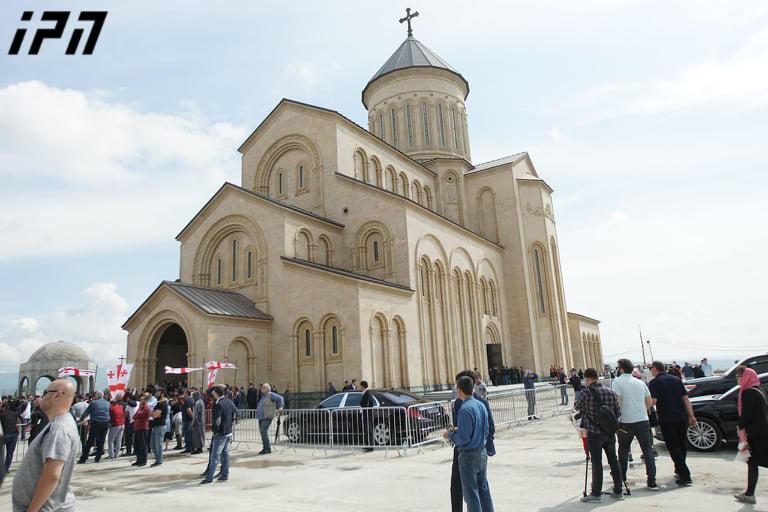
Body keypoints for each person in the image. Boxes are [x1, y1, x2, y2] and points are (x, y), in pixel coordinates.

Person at [11, 379, 78, 512]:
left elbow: (52, 475)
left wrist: (32, 509)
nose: (42, 397)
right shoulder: (58, 424)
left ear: (57, 395)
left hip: (46, 508)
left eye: (45, 393)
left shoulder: (59, 429)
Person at [444, 375, 494, 512]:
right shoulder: (481, 405)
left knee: (471, 495)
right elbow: (486, 429)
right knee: (484, 490)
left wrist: (450, 435)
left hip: (469, 456)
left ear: (459, 390)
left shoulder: (464, 409)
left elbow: (463, 438)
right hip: (481, 452)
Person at [575, 368, 623, 503]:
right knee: (613, 460)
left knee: (596, 462)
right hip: (609, 432)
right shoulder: (610, 392)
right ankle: (618, 491)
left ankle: (596, 494)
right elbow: (618, 412)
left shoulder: (586, 393)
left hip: (594, 432)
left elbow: (577, 406)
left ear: (588, 378)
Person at [648, 360, 696, 486]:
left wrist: (643, 407)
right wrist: (691, 415)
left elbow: (653, 401)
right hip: (681, 416)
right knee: (681, 445)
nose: (650, 371)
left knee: (673, 447)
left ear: (655, 369)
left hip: (667, 418)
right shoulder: (676, 379)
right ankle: (679, 469)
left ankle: (685, 475)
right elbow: (685, 398)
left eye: (650, 368)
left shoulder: (654, 383)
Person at [612, 359, 657, 490]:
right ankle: (652, 481)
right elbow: (649, 402)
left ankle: (622, 479)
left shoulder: (617, 382)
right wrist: (640, 410)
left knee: (623, 451)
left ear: (621, 369)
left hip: (625, 422)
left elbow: (616, 402)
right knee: (647, 450)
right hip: (642, 420)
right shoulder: (640, 383)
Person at [733, 366, 768, 504]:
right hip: (761, 432)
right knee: (753, 462)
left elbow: (747, 415)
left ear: (746, 377)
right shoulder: (758, 389)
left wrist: (739, 426)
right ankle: (749, 494)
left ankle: (749, 494)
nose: (738, 379)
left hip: (756, 433)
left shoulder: (748, 392)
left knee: (753, 462)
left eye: (739, 376)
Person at [200, 386, 236, 484]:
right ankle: (225, 474)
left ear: (216, 393)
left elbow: (218, 420)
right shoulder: (229, 401)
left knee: (215, 456)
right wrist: (230, 424)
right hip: (228, 431)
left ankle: (209, 477)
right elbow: (235, 413)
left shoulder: (218, 404)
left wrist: (215, 430)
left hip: (221, 433)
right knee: (225, 454)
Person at [78, 390, 110, 464]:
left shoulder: (93, 403)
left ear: (96, 396)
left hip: (96, 422)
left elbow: (86, 413)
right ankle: (98, 457)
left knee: (90, 440)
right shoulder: (107, 403)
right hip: (105, 422)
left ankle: (84, 458)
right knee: (102, 440)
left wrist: (80, 420)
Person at [256, 383, 284, 455]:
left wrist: (280, 407)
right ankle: (265, 448)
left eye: (263, 387)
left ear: (267, 389)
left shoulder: (270, 394)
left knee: (263, 431)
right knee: (262, 433)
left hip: (267, 416)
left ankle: (267, 449)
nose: (261, 389)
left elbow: (280, 398)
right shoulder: (263, 396)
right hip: (261, 417)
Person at [149, 390, 169, 467]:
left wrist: (154, 414)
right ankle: (157, 458)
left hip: (160, 425)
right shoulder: (158, 403)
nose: (156, 394)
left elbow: (154, 415)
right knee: (152, 444)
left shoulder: (163, 404)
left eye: (158, 393)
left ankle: (159, 460)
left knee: (158, 444)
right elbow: (151, 413)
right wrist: (154, 413)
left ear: (162, 394)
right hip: (156, 425)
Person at [131, 395, 150, 467]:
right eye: (140, 400)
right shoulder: (140, 408)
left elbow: (138, 415)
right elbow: (134, 416)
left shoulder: (146, 408)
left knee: (143, 445)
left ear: (145, 401)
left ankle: (143, 460)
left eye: (142, 400)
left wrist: (137, 412)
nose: (140, 401)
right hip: (137, 428)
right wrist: (139, 409)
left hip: (143, 428)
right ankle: (138, 460)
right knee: (137, 445)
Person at [1, 400, 19, 473]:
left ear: (3, 407)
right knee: (10, 453)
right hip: (14, 434)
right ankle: (6, 469)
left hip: (5, 434)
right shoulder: (14, 414)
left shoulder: (1, 414)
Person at [107, 395, 125, 459]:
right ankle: (116, 454)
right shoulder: (120, 406)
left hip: (115, 425)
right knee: (118, 440)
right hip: (122, 424)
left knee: (110, 440)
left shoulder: (111, 408)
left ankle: (111, 455)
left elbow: (108, 417)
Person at [360, 381, 374, 452]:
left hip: (367, 414)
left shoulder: (367, 393)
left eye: (361, 386)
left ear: (363, 386)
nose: (360, 387)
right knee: (367, 430)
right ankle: (367, 445)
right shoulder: (367, 392)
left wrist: (363, 406)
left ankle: (370, 446)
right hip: (367, 414)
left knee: (369, 430)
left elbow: (366, 404)